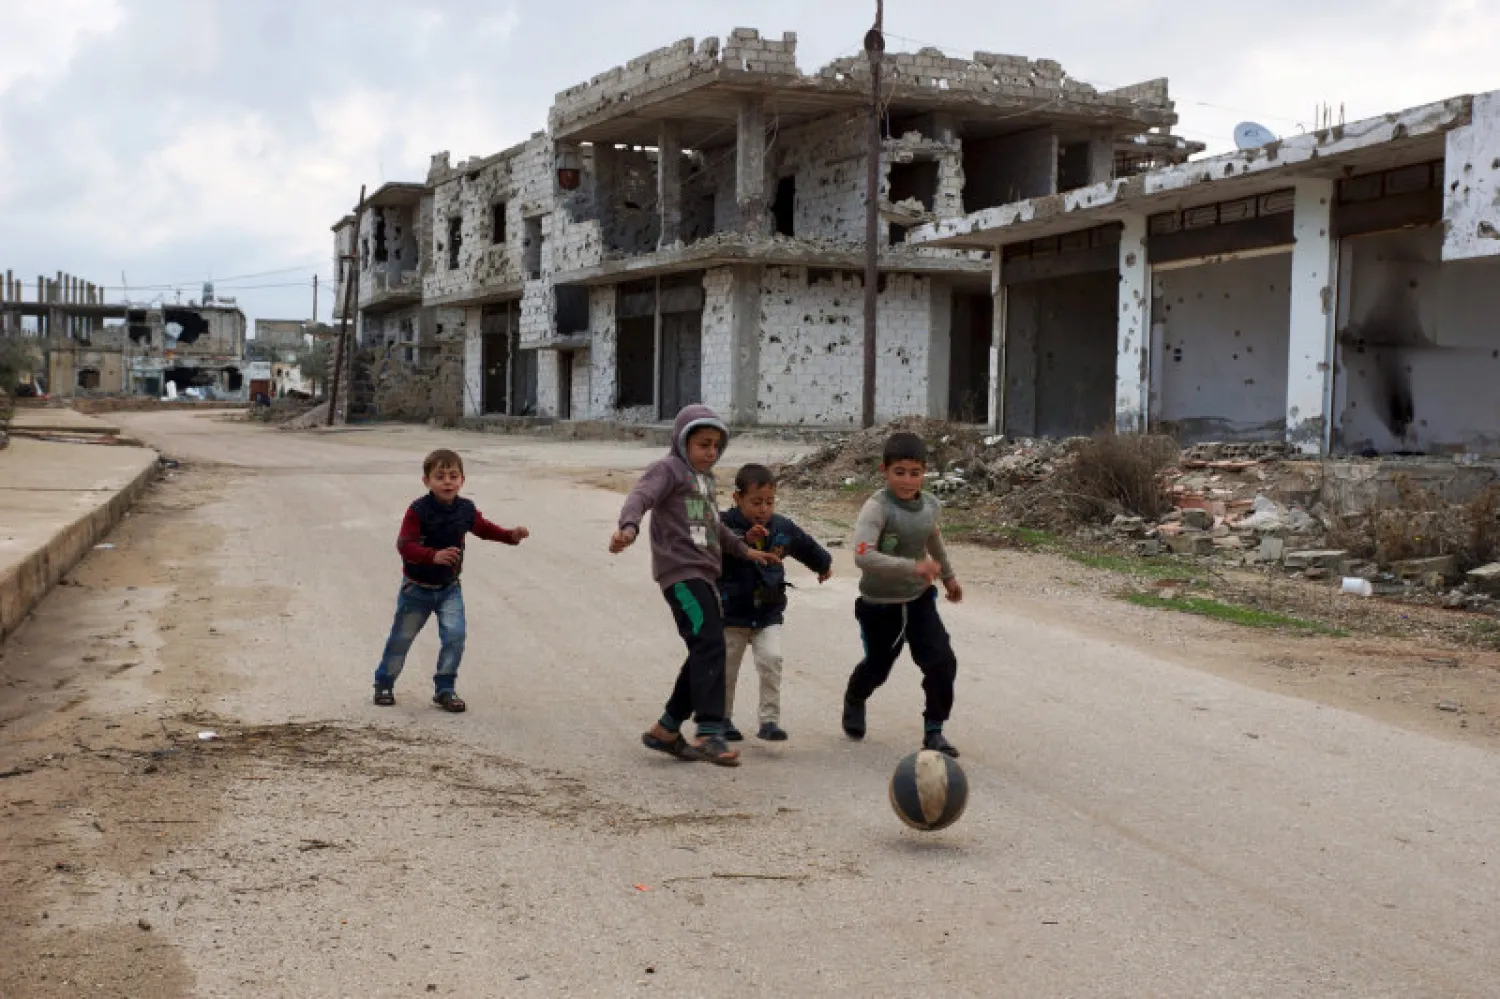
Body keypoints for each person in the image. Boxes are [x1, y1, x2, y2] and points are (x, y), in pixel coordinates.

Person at [609, 404, 780, 767]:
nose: (710, 452)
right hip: (681, 573)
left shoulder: (706, 481)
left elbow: (715, 527)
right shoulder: (668, 469)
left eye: (716, 446)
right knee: (711, 643)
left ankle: (667, 728)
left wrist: (746, 550)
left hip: (704, 573)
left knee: (706, 648)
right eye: (703, 444)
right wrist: (629, 527)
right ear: (683, 440)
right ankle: (709, 730)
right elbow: (640, 496)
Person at [373, 448, 529, 713]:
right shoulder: (418, 511)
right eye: (440, 476)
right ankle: (384, 683)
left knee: (455, 637)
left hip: (449, 589)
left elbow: (484, 529)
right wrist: (432, 556)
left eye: (453, 476)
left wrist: (510, 535)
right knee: (402, 638)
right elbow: (405, 545)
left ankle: (445, 689)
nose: (447, 481)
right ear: (426, 481)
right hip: (416, 589)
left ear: (462, 480)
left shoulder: (466, 509)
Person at [842, 431, 965, 757]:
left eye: (915, 473)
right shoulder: (877, 508)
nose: (908, 481)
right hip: (880, 606)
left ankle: (934, 730)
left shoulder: (930, 506)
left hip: (919, 600)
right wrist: (914, 567)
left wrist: (949, 577)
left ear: (924, 472)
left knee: (942, 661)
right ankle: (855, 696)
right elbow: (862, 555)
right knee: (878, 667)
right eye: (900, 472)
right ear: (885, 471)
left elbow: (932, 540)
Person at [716, 463, 832, 742]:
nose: (763, 509)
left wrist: (823, 565)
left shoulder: (781, 528)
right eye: (756, 502)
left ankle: (769, 721)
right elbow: (710, 546)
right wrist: (744, 539)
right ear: (737, 498)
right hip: (731, 614)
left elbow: (806, 546)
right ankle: (721, 718)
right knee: (726, 669)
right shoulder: (722, 525)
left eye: (769, 502)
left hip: (768, 612)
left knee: (772, 660)